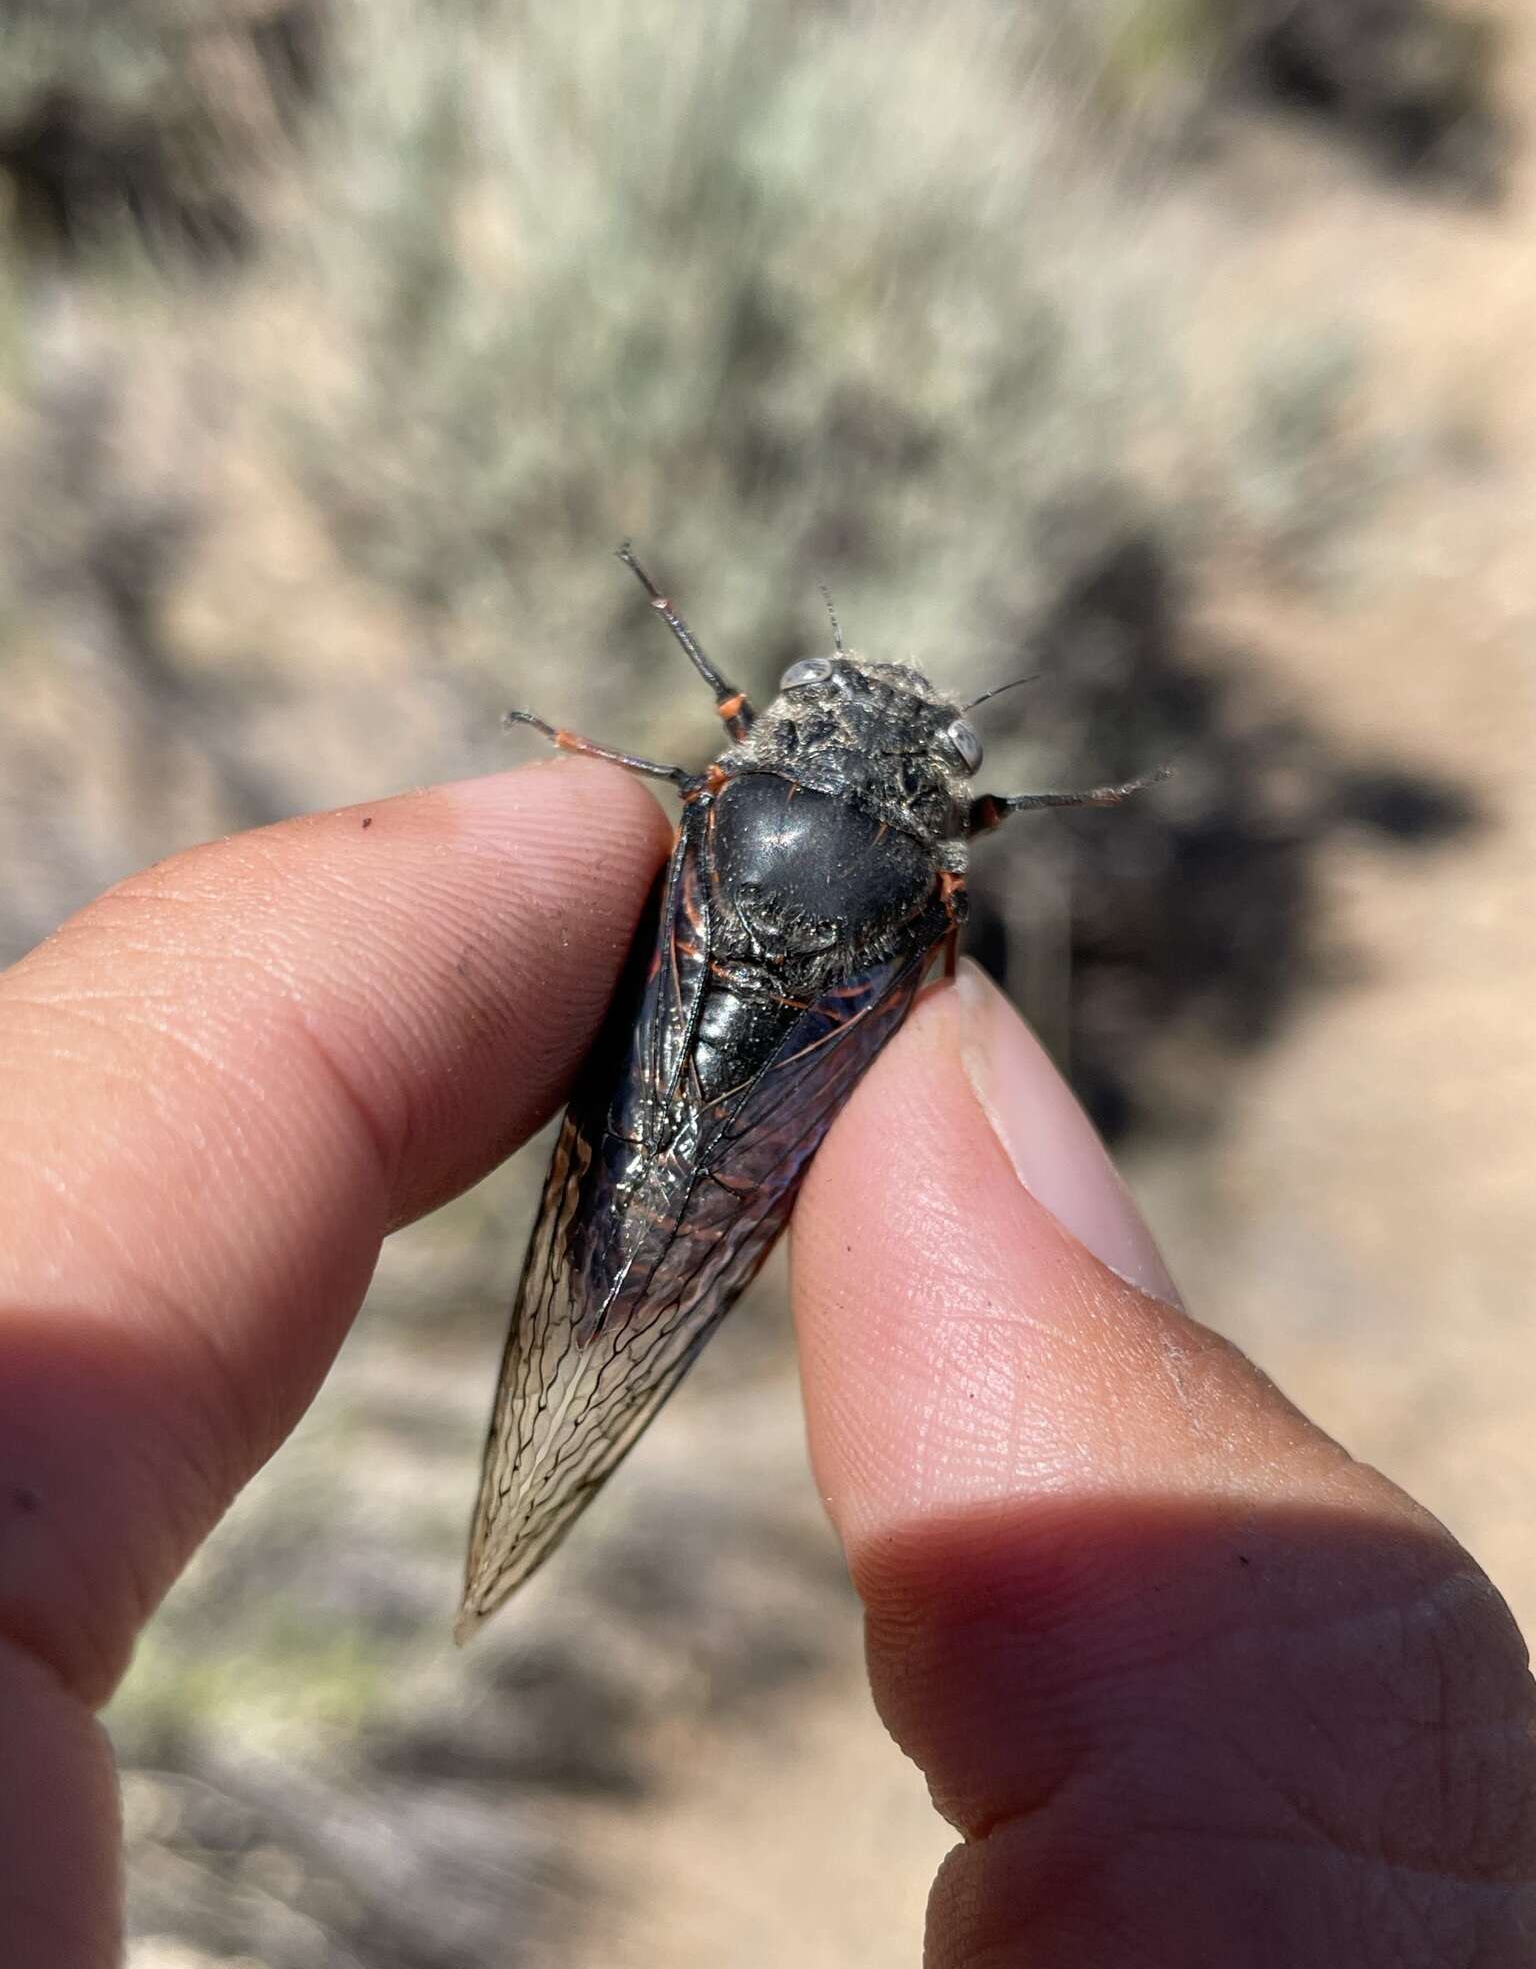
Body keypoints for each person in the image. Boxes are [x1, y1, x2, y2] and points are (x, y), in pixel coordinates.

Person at [1, 760, 1530, 1967]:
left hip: (668, 1076)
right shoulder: (920, 880)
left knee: (640, 1172)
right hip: (724, 1134)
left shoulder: (739, 799)